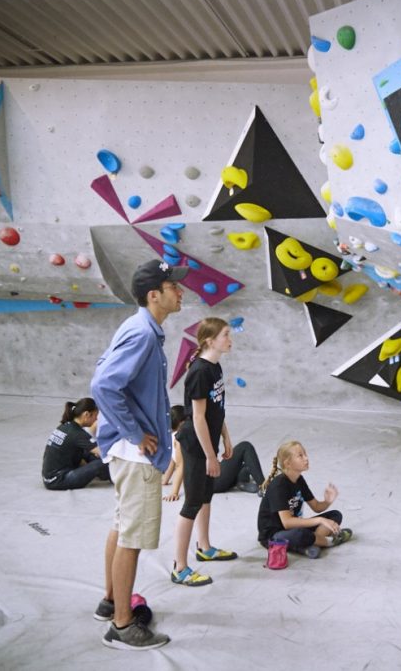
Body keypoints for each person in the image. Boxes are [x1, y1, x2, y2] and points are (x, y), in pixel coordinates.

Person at [90, 259, 186, 650]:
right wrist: (135, 432)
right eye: (173, 287)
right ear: (154, 295)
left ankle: (112, 600)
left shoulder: (140, 327)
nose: (181, 292)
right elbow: (103, 384)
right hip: (136, 455)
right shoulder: (144, 335)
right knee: (131, 537)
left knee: (121, 525)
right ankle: (122, 625)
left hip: (126, 452)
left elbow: (102, 367)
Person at [168, 317, 240, 587]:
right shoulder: (199, 371)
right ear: (209, 340)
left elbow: (216, 409)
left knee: (206, 496)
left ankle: (205, 547)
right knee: (192, 503)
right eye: (225, 335)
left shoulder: (215, 367)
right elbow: (197, 418)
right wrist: (210, 455)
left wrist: (226, 437)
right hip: (196, 445)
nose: (230, 339)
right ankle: (180, 567)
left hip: (209, 440)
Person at [257, 440, 353, 560]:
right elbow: (287, 523)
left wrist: (327, 501)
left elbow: (317, 507)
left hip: (293, 529)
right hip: (273, 535)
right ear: (288, 463)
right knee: (300, 534)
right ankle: (330, 541)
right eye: (300, 456)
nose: (306, 458)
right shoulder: (278, 485)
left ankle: (311, 543)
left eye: (305, 454)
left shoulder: (299, 480)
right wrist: (320, 520)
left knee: (335, 515)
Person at [162, 405, 264, 501]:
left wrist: (164, 480)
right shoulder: (182, 437)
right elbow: (181, 466)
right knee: (245, 447)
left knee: (246, 465)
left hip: (210, 477)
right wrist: (174, 492)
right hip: (213, 481)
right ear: (182, 422)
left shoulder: (172, 436)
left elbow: (173, 460)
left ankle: (240, 481)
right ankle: (264, 486)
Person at [41, 398, 111, 490]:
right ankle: (116, 477)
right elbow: (103, 454)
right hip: (58, 480)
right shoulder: (77, 434)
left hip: (49, 477)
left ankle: (105, 474)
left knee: (89, 452)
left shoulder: (66, 426)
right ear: (86, 414)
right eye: (95, 416)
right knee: (102, 462)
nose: (96, 419)